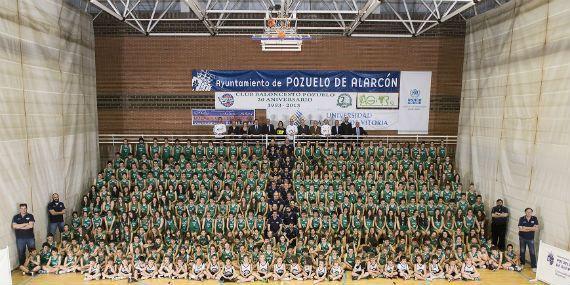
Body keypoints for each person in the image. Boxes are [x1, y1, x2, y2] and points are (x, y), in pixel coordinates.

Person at [518, 207, 539, 272]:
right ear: (525, 212)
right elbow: (520, 229)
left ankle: (534, 266)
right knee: (522, 251)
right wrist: (531, 228)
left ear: (532, 212)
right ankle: (522, 264)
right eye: (527, 212)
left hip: (530, 238)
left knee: (532, 252)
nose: (529, 213)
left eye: (530, 212)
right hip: (522, 238)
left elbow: (536, 228)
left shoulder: (534, 218)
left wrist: (526, 228)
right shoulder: (522, 218)